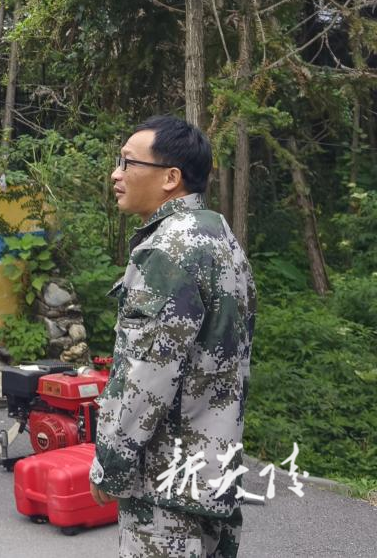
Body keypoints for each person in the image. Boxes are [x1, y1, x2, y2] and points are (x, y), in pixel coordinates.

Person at [90, 116, 256, 557]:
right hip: (212, 470)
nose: (116, 173)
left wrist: (111, 461)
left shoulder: (167, 250)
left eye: (128, 162)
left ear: (170, 178)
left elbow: (146, 375)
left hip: (165, 485)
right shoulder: (218, 236)